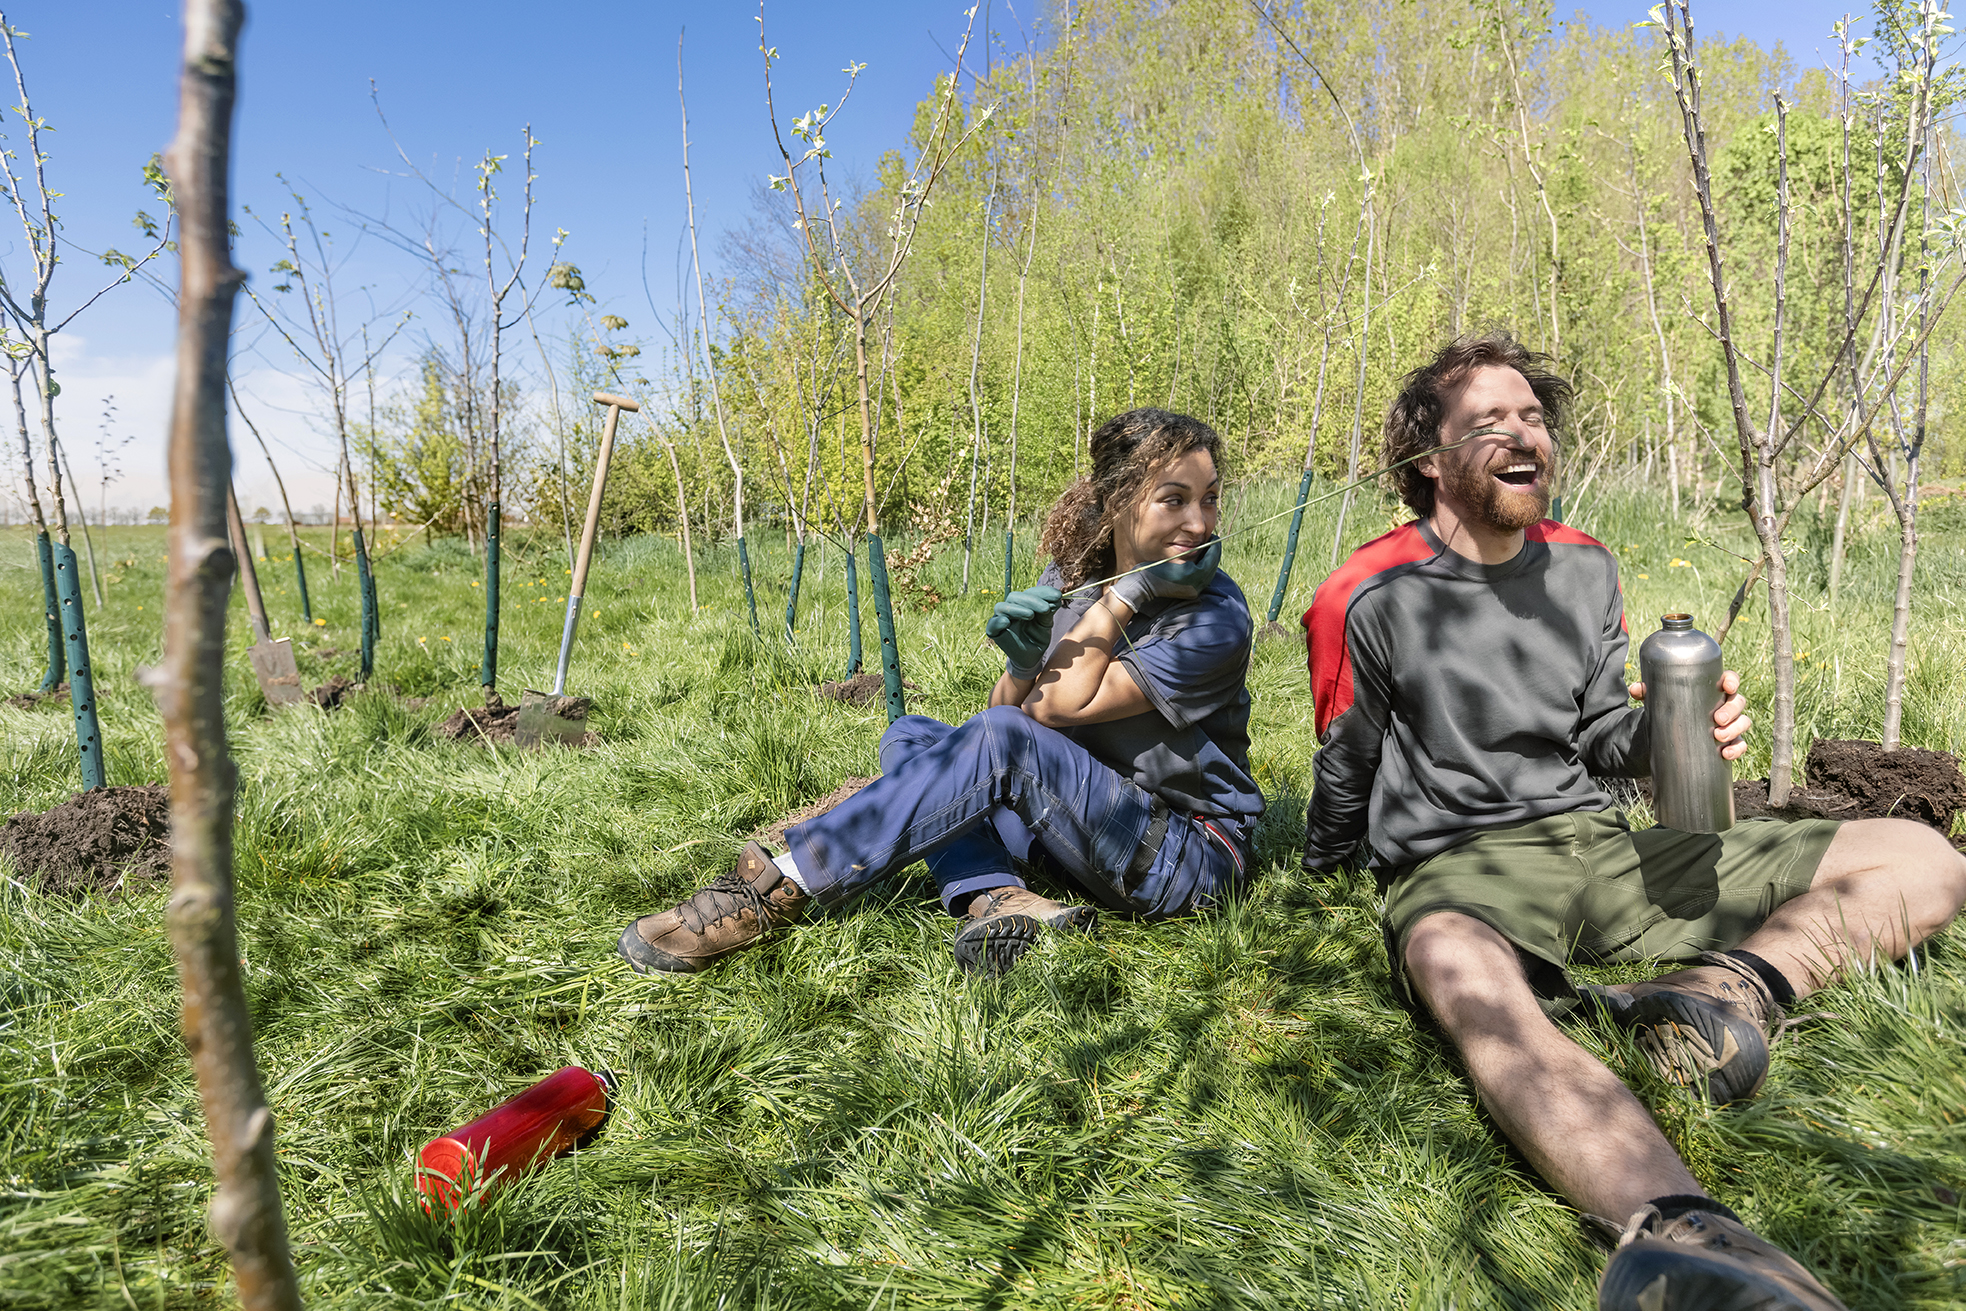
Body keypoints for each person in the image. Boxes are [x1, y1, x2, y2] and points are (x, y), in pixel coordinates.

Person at [1300, 331, 1966, 1311]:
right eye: (1488, 420)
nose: (1523, 432)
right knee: (1456, 972)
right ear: (1429, 462)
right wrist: (1324, 862)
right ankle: (1685, 1235)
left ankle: (1721, 992)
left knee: (1924, 858)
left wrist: (1667, 733)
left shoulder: (1582, 571)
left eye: (1532, 416)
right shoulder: (1373, 599)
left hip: (1606, 849)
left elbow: (1600, 732)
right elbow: (1349, 751)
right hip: (1463, 872)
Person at [619, 407, 1262, 979]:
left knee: (992, 744)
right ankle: (1002, 895)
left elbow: (1048, 716)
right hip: (1081, 825)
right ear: (1117, 502)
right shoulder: (1078, 581)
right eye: (1174, 500)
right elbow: (1009, 716)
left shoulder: (1213, 617)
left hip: (1186, 856)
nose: (1199, 521)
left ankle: (780, 885)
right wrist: (1022, 660)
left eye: (1210, 499)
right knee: (913, 735)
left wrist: (1129, 596)